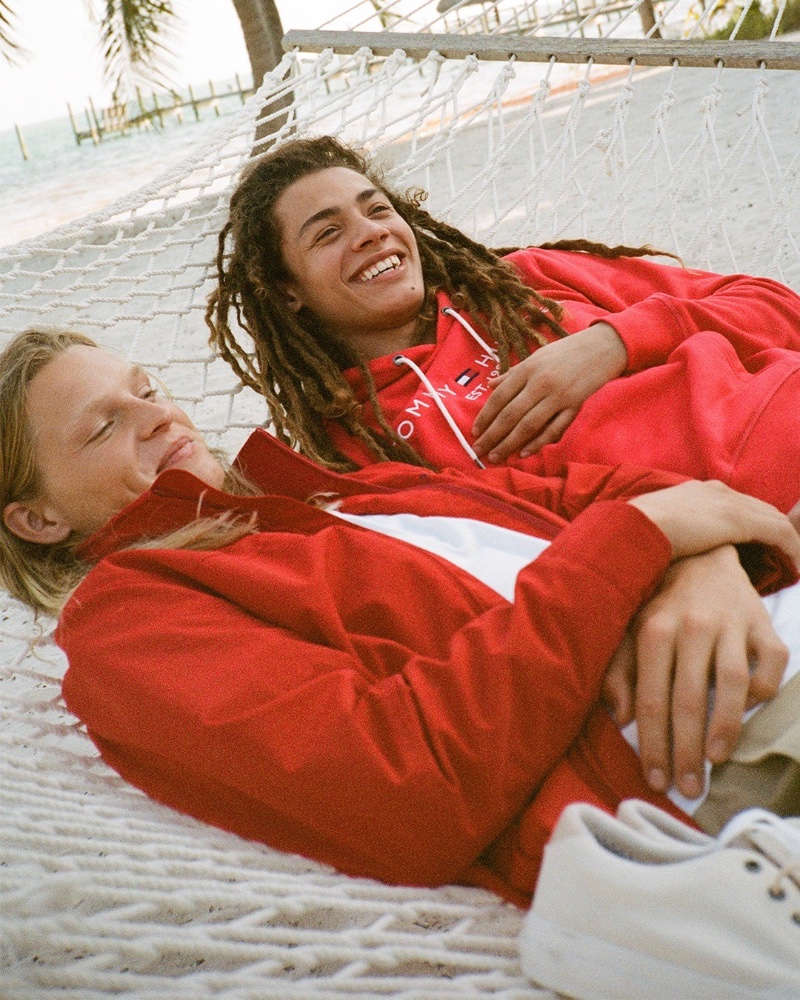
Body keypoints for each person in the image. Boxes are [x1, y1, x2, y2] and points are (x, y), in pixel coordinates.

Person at [2, 327, 799, 906]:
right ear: (36, 519)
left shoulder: (327, 494)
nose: (157, 417)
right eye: (103, 426)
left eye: (144, 389)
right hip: (692, 754)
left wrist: (702, 564)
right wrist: (646, 543)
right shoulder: (128, 623)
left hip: (749, 630)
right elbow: (408, 787)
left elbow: (602, 493)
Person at [206, 135, 800, 514]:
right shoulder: (355, 454)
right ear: (287, 292)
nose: (370, 232)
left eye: (377, 208)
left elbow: (778, 307)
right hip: (729, 552)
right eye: (328, 232)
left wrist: (616, 342)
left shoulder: (521, 280)